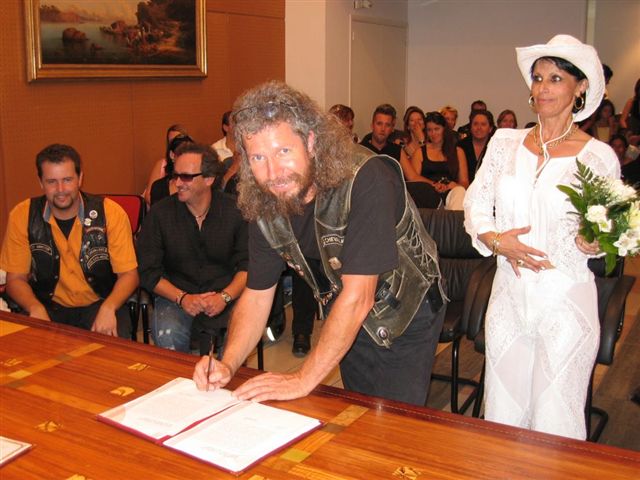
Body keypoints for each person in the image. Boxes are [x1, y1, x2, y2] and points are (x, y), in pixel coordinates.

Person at [193, 81, 447, 406]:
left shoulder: (366, 178)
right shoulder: (263, 198)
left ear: (311, 141)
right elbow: (257, 295)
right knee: (357, 410)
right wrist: (228, 363)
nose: (273, 172)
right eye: (258, 157)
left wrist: (302, 379)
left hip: (405, 310)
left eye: (283, 151)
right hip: (345, 304)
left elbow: (359, 297)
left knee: (395, 423)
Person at [464, 34, 619, 440]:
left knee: (556, 421)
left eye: (555, 78)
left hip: (565, 303)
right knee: (502, 413)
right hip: (508, 298)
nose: (543, 88)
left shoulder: (599, 157)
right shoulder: (504, 142)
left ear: (580, 87)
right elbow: (475, 205)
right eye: (538, 78)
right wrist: (497, 240)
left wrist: (593, 240)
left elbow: (606, 229)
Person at [0, 144, 139, 337]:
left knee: (110, 352)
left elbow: (129, 275)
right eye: (51, 181)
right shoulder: (22, 215)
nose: (60, 190)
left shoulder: (111, 213)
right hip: (46, 304)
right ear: (40, 182)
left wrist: (109, 307)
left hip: (100, 302)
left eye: (67, 180)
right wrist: (34, 307)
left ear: (80, 178)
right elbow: (15, 279)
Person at [137, 143, 248, 355]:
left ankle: (225, 374)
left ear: (209, 179)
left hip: (227, 294)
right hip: (176, 296)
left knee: (238, 340)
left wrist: (224, 297)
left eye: (186, 177)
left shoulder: (236, 212)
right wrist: (182, 298)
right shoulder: (160, 214)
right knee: (168, 335)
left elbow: (248, 266)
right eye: (176, 175)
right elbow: (148, 271)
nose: (178, 183)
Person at [399, 111, 468, 210]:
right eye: (429, 130)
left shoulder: (458, 152)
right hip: (428, 194)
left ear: (444, 129)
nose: (433, 133)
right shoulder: (419, 152)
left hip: (452, 193)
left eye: (437, 129)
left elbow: (465, 182)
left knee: (460, 191)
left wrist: (454, 185)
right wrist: (434, 184)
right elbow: (413, 178)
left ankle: (454, 219)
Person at [143, 124, 189, 207]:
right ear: (172, 154)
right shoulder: (160, 185)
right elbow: (149, 196)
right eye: (171, 141)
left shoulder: (198, 179)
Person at [458, 110, 496, 182]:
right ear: (471, 127)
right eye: (475, 124)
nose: (479, 128)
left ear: (490, 129)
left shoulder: (496, 147)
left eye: (483, 124)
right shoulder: (461, 146)